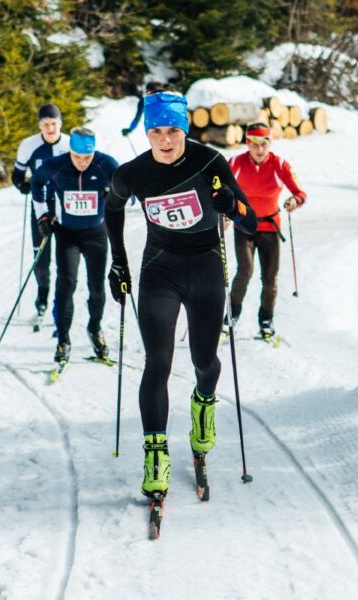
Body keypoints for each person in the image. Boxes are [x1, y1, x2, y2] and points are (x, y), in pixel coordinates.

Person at [105, 90, 257, 500]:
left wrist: (231, 206)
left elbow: (251, 223)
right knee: (158, 360)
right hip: (160, 269)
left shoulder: (209, 162)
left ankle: (203, 405)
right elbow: (112, 208)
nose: (165, 140)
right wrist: (118, 263)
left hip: (206, 267)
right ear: (147, 133)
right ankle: (156, 456)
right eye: (155, 131)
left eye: (173, 130)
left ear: (184, 129)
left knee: (205, 362)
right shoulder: (133, 173)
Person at [32, 127, 119, 365]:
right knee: (66, 283)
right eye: (77, 157)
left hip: (96, 234)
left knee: (96, 286)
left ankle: (95, 329)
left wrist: (116, 196)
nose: (82, 163)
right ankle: (63, 339)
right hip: (67, 234)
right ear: (70, 151)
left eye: (87, 158)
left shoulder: (106, 164)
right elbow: (37, 184)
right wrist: (42, 217)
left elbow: (129, 191)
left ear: (94, 153)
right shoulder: (57, 165)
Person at [227, 122, 307, 339]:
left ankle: (266, 321)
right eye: (254, 145)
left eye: (264, 144)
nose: (259, 150)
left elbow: (299, 193)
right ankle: (231, 316)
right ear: (247, 144)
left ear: (270, 143)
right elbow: (218, 188)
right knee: (245, 270)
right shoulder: (235, 162)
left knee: (269, 278)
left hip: (269, 227)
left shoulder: (280, 165)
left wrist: (293, 201)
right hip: (243, 225)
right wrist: (224, 212)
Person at [11, 104, 70, 321]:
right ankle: (42, 297)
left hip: (65, 207)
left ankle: (61, 300)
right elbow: (17, 175)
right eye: (46, 124)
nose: (50, 128)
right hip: (40, 206)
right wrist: (23, 185)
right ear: (40, 126)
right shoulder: (28, 145)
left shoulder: (70, 144)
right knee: (41, 259)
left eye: (53, 123)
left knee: (65, 257)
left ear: (60, 124)